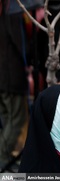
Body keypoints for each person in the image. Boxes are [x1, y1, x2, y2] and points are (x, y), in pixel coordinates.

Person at [0, 5, 30, 169]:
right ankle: (3, 159)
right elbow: (21, 45)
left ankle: (5, 158)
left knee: (8, 119)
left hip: (6, 76)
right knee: (14, 119)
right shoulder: (11, 12)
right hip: (11, 76)